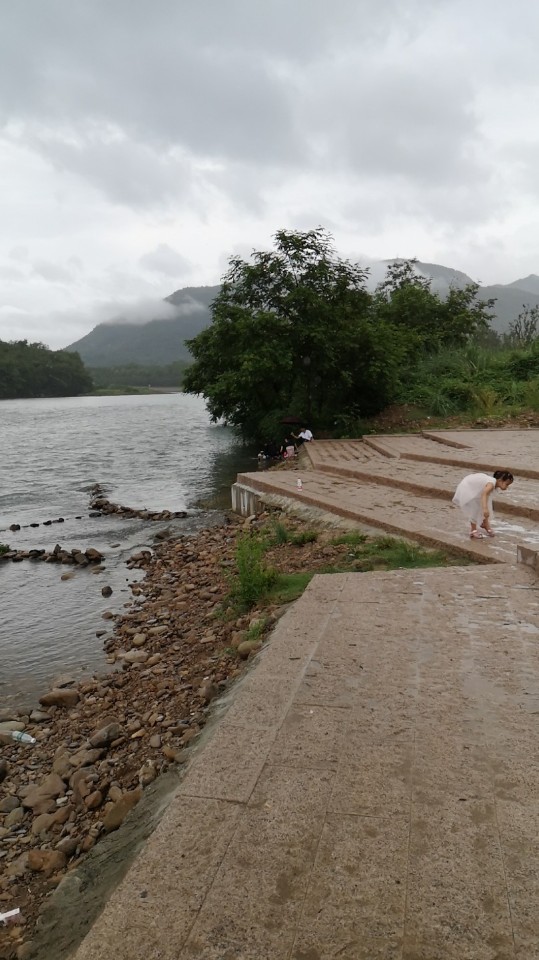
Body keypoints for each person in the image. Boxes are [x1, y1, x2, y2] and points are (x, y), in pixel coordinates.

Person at [452, 470, 514, 539]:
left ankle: (485, 524)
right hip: (469, 488)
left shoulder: (493, 484)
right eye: (506, 484)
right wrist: (485, 509)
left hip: (476, 489)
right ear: (500, 480)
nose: (507, 487)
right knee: (475, 508)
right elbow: (484, 494)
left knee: (486, 503)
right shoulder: (491, 484)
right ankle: (473, 530)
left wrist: (485, 508)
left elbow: (486, 497)